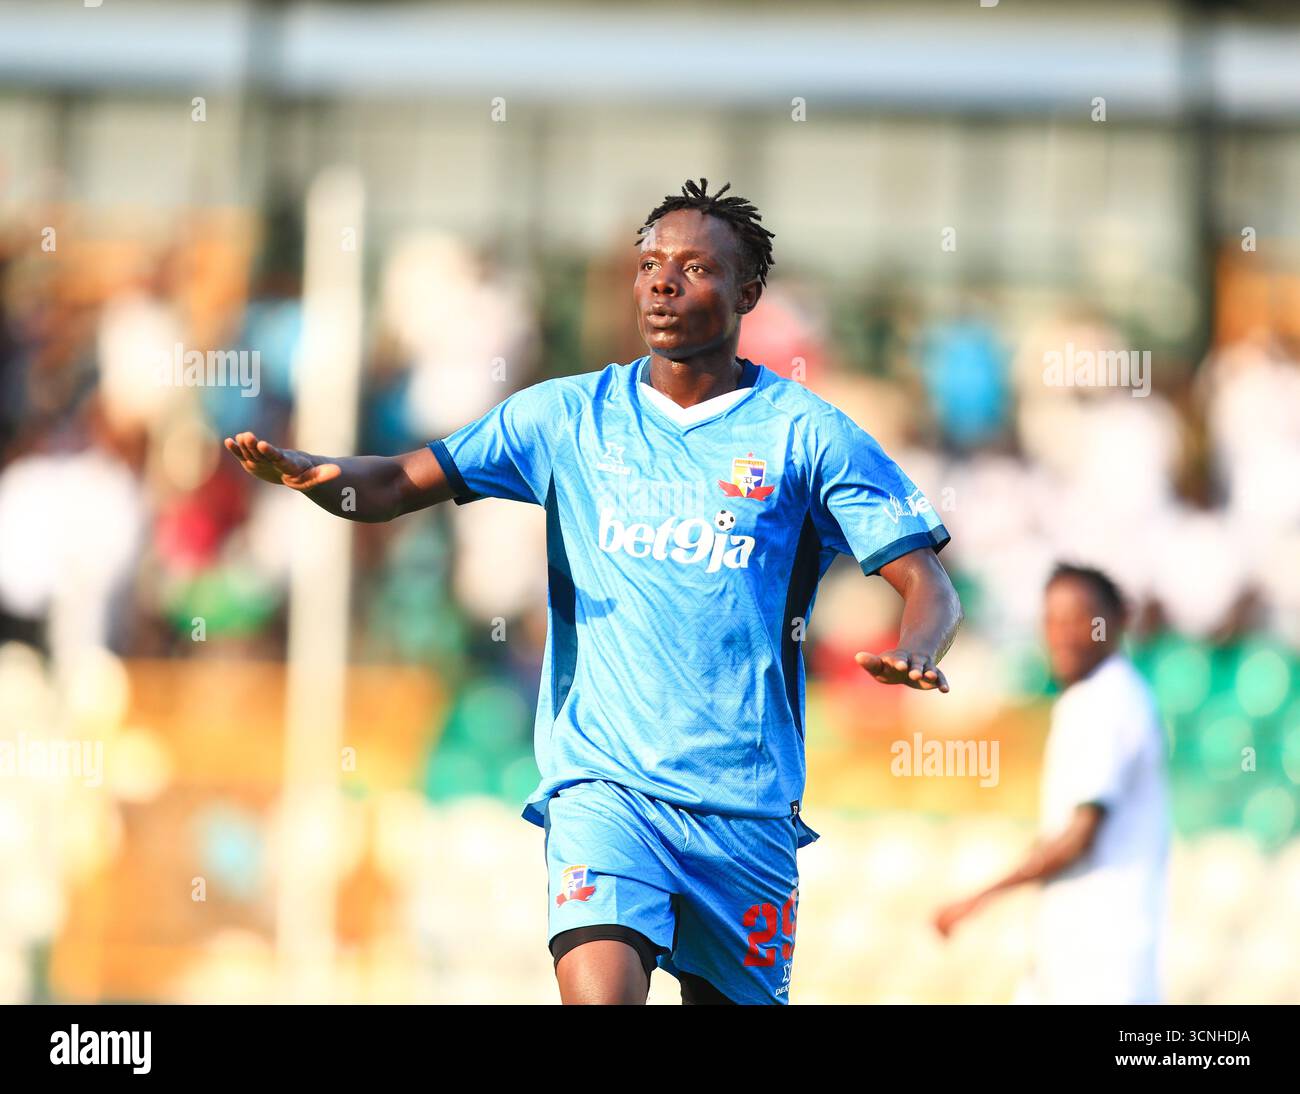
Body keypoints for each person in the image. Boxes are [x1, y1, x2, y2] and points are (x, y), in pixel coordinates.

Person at [225, 178, 962, 1005]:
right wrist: (320, 476)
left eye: (693, 267)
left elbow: (926, 581)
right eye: (649, 265)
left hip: (744, 812)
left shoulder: (806, 433)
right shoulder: (567, 418)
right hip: (605, 791)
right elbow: (400, 480)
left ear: (748, 290)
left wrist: (917, 646)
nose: (662, 283)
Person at [932, 562, 1171, 1004]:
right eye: (1052, 620)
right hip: (1073, 948)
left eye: (1078, 619)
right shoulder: (1090, 698)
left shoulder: (1110, 700)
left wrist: (978, 897)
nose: (1061, 634)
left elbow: (1078, 837)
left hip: (1104, 958)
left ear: (1115, 621)